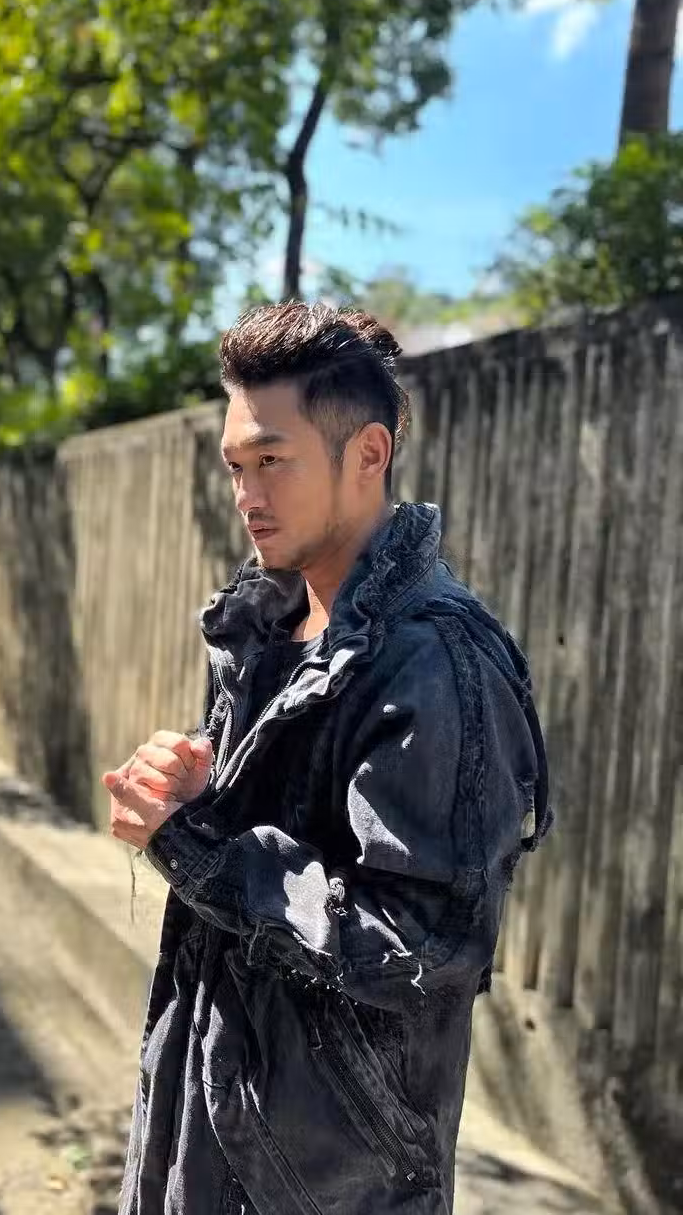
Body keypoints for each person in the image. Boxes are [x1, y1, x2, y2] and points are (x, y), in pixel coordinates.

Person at [103, 302, 552, 1215]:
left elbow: (420, 946)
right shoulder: (275, 620)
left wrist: (193, 846)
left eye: (273, 461)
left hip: (330, 1182)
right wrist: (197, 796)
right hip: (210, 1121)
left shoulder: (438, 662)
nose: (247, 494)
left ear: (368, 455)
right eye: (236, 465)